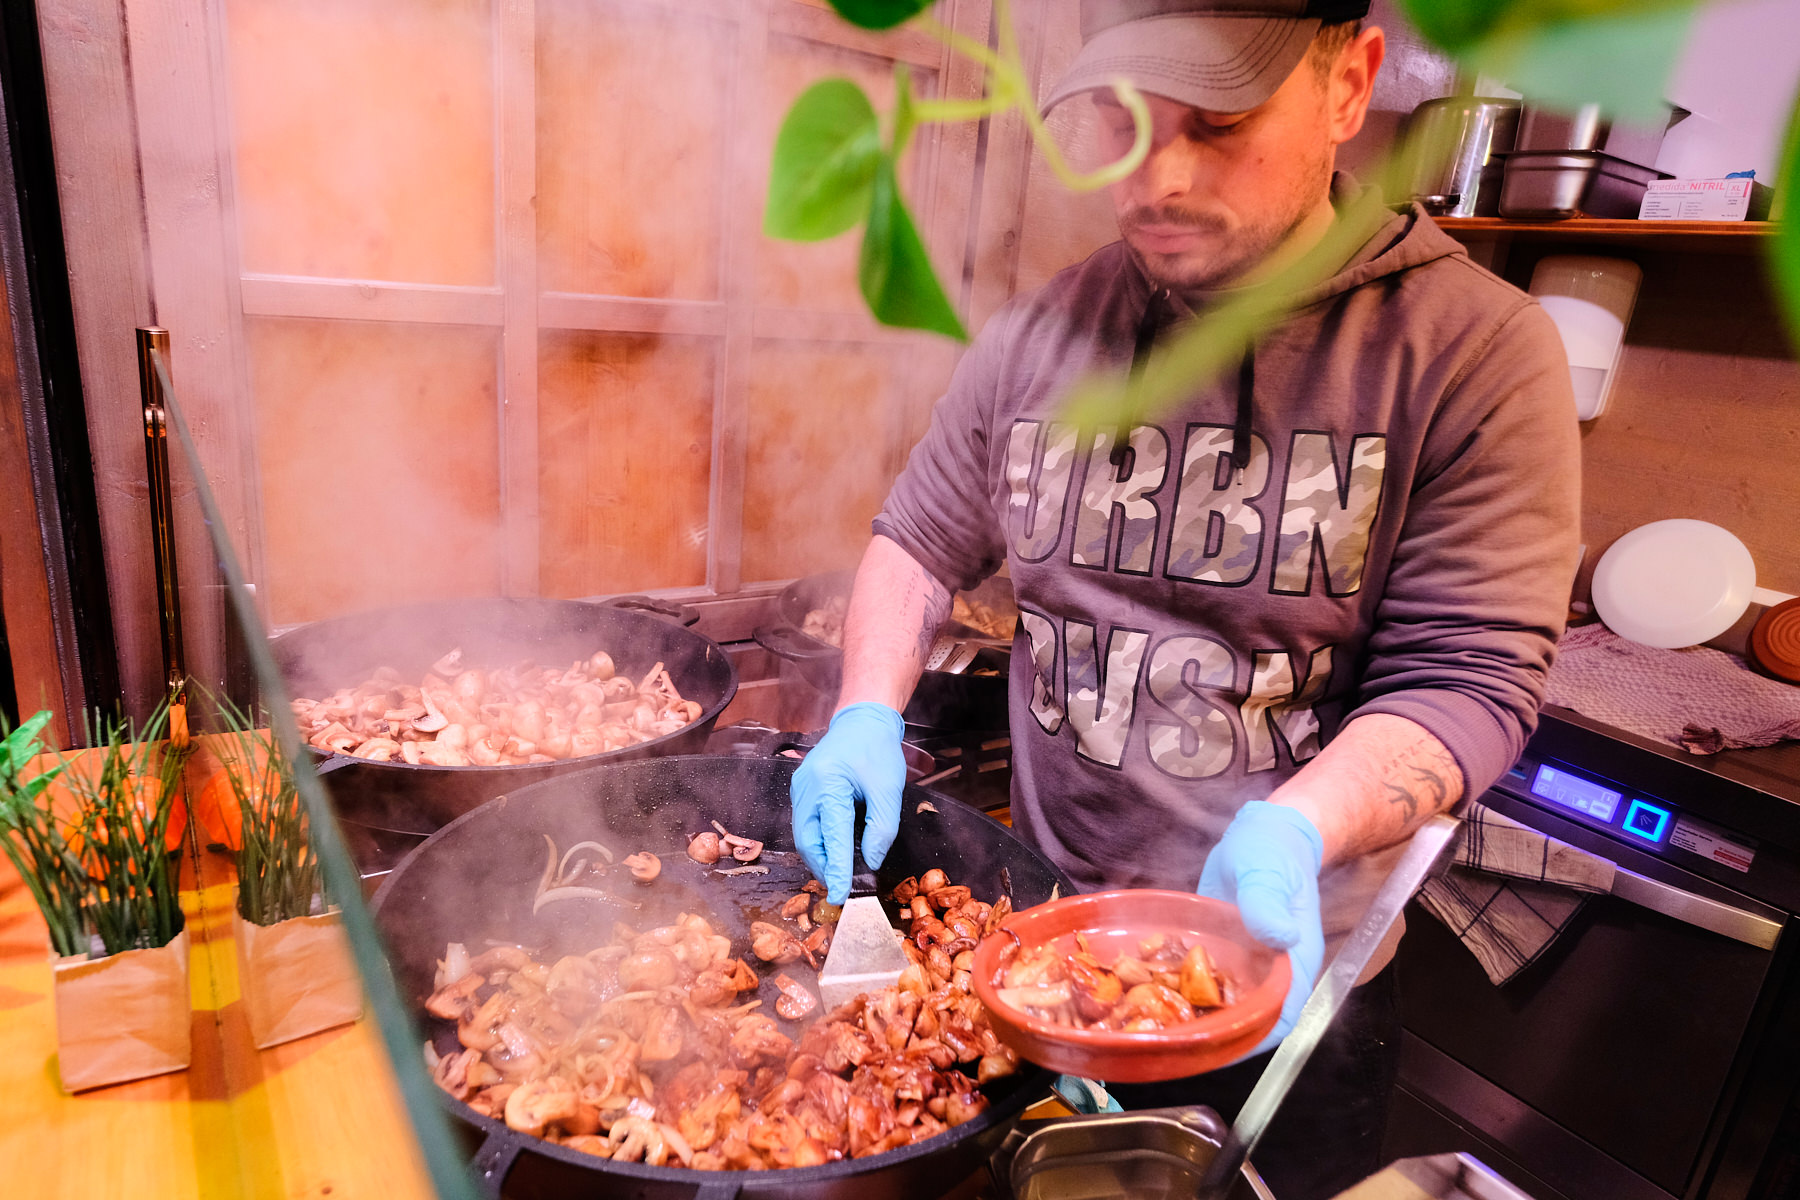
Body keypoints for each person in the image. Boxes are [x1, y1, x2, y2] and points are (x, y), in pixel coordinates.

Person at [790, 1, 1581, 1195]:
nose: (1156, 178)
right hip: (1042, 967)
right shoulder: (1042, 333)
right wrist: (863, 711)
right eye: (1122, 123)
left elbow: (1471, 680)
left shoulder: (1472, 352)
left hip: (1279, 996)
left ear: (1348, 85)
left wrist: (1298, 827)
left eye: (1216, 123)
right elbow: (919, 539)